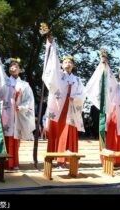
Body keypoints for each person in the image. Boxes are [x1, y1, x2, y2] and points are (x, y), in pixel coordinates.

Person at [0, 39, 35, 170]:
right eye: (11, 66)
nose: (12, 67)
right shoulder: (4, 81)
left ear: (20, 69)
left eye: (15, 66)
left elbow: (29, 101)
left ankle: (13, 162)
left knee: (14, 140)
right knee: (3, 137)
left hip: (17, 114)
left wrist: (20, 107)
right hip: (4, 113)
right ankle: (1, 162)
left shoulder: (25, 85)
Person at [85, 52, 120, 166]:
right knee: (115, 136)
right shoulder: (116, 85)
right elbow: (108, 77)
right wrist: (104, 64)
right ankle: (115, 160)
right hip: (116, 115)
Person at [42, 33, 85, 168]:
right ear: (61, 64)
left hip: (71, 108)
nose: (68, 64)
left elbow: (82, 94)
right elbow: (51, 65)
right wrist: (51, 45)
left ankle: (68, 159)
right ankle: (56, 158)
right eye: (65, 62)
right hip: (58, 107)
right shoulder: (58, 75)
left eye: (70, 62)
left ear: (73, 65)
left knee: (69, 133)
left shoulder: (77, 80)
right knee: (58, 132)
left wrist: (75, 98)